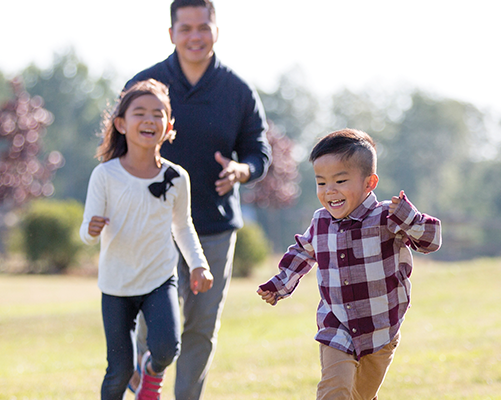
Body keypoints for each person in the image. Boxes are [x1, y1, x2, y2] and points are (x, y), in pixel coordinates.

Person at [125, 1, 272, 398]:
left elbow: (259, 151)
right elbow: (117, 149)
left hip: (215, 230)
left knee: (200, 329)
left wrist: (243, 171)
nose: (194, 36)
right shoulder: (145, 85)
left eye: (202, 27)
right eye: (185, 28)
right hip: (153, 228)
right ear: (171, 33)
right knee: (153, 326)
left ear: (216, 31)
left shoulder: (238, 91)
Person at [257, 129, 442, 399]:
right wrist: (280, 285)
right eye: (321, 183)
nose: (329, 191)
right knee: (335, 389)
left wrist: (409, 218)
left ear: (369, 183)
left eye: (340, 181)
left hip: (380, 328)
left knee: (360, 396)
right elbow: (302, 252)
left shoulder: (386, 219)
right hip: (336, 324)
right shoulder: (321, 221)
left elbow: (432, 240)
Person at [80, 79, 214, 400]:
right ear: (121, 124)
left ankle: (150, 373)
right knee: (118, 371)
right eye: (140, 113)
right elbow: (86, 229)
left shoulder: (177, 177)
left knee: (167, 349)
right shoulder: (105, 175)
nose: (149, 120)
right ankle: (133, 376)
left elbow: (182, 226)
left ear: (168, 126)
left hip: (159, 279)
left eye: (158, 114)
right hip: (116, 286)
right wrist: (91, 230)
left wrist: (198, 265)